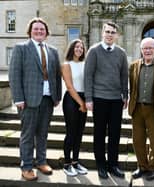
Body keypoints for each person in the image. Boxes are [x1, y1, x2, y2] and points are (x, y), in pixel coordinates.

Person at [8, 17, 62, 181]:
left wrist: (57, 96)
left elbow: (56, 76)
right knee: (28, 134)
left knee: (43, 133)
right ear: (30, 31)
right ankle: (26, 166)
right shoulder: (21, 48)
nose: (39, 31)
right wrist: (18, 98)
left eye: (42, 29)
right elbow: (14, 75)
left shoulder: (52, 50)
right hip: (28, 99)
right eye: (36, 29)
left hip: (47, 99)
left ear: (46, 32)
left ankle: (41, 161)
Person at [84, 22, 128, 179]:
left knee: (115, 134)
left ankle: (113, 165)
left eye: (113, 32)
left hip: (116, 100)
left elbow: (124, 76)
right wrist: (88, 98)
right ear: (103, 33)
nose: (110, 34)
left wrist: (125, 96)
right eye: (107, 32)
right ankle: (101, 166)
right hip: (99, 99)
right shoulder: (94, 51)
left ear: (117, 35)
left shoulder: (121, 53)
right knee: (99, 133)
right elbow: (88, 76)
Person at [128, 37, 154, 181]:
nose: (147, 51)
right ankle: (142, 166)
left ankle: (153, 167)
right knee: (137, 140)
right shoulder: (133, 66)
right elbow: (132, 87)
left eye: (150, 48)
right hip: (137, 109)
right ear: (141, 50)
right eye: (145, 48)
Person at [61, 39, 88, 176]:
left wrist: (86, 101)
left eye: (81, 47)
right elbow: (70, 87)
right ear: (72, 48)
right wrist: (81, 103)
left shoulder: (85, 64)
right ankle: (67, 163)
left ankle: (75, 162)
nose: (79, 49)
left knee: (79, 132)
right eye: (77, 47)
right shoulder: (66, 65)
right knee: (71, 132)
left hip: (83, 99)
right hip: (72, 100)